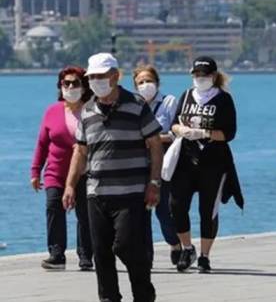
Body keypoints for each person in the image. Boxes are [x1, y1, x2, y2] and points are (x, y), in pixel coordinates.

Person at [62, 53, 163, 302]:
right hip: (97, 194)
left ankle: (143, 293)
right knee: (101, 254)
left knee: (126, 246)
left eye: (100, 76)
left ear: (115, 76)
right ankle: (108, 298)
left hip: (131, 194)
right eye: (92, 77)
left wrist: (154, 182)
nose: (95, 81)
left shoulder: (137, 105)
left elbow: (155, 145)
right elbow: (81, 151)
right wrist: (70, 185)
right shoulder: (87, 111)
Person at [170, 56, 243, 273]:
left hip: (213, 162)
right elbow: (174, 123)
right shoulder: (185, 96)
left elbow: (229, 133)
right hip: (185, 160)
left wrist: (204, 133)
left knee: (207, 210)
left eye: (205, 75)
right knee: (176, 205)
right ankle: (187, 247)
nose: (200, 79)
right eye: (196, 75)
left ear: (214, 76)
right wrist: (181, 130)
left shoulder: (223, 99)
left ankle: (204, 255)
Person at [31, 66, 93, 271]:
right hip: (55, 173)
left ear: (84, 86)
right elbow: (42, 143)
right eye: (66, 83)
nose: (70, 87)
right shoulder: (52, 111)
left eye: (75, 83)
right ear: (60, 86)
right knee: (53, 208)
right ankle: (56, 254)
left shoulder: (92, 109)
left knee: (85, 214)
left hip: (85, 173)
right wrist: (35, 171)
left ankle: (85, 255)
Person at [132, 65, 181, 266]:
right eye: (140, 82)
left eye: (149, 80)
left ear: (157, 82)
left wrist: (154, 139)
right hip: (138, 164)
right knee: (140, 213)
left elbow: (175, 132)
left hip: (162, 165)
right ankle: (146, 256)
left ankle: (175, 243)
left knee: (163, 211)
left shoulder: (168, 102)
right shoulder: (134, 105)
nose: (145, 85)